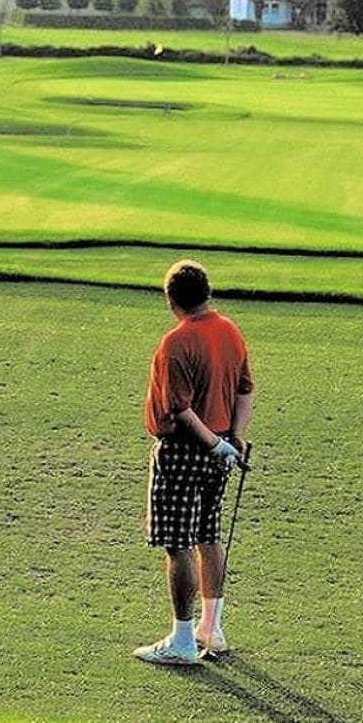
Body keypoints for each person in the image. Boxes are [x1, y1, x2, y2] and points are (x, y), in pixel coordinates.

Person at [133, 259, 254, 665]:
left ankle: (183, 639)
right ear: (207, 292)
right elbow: (245, 391)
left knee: (178, 543)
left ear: (172, 300)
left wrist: (215, 444)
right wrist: (233, 439)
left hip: (185, 451)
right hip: (220, 447)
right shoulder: (231, 331)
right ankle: (211, 628)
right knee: (208, 535)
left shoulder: (176, 343)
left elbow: (180, 411)